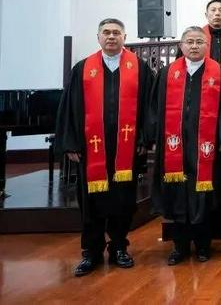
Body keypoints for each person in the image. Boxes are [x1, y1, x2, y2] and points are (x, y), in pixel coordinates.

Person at [55, 18, 153, 277]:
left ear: (125, 36)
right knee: (91, 201)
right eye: (106, 33)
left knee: (123, 200)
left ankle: (120, 246)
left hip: (127, 147)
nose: (111, 37)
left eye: (116, 33)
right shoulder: (82, 69)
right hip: (91, 149)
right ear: (98, 37)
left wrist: (144, 137)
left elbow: (148, 108)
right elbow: (69, 110)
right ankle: (91, 251)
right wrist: (71, 143)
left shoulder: (139, 68)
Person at [148, 26, 221, 265]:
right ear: (181, 46)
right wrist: (154, 138)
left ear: (207, 46)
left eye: (199, 42)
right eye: (189, 42)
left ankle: (204, 245)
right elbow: (154, 109)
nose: (194, 46)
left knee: (203, 195)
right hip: (173, 146)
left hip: (206, 148)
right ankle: (180, 246)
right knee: (177, 195)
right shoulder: (166, 74)